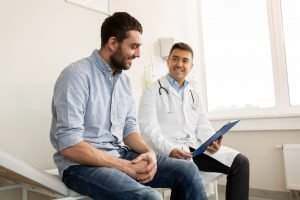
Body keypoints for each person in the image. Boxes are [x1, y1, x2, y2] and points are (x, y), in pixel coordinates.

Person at [50, 13, 208, 200]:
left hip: (120, 154)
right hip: (81, 166)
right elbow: (70, 145)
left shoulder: (124, 81)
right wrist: (124, 166)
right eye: (134, 46)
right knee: (150, 198)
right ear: (112, 43)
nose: (139, 54)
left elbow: (129, 130)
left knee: (187, 170)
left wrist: (149, 153)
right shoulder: (76, 76)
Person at [139, 42, 250, 200]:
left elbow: (203, 125)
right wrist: (170, 149)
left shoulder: (194, 94)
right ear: (168, 61)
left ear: (191, 66)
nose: (179, 64)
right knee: (185, 172)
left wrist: (212, 141)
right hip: (167, 152)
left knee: (240, 162)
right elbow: (148, 129)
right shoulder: (152, 91)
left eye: (185, 60)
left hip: (194, 149)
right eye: (175, 59)